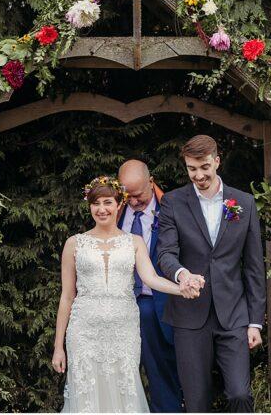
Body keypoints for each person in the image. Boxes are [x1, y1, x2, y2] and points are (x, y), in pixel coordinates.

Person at [52, 176, 204, 412]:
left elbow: (151, 278)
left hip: (123, 329)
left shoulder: (134, 242)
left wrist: (180, 288)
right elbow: (67, 296)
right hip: (84, 331)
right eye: (95, 204)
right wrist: (58, 347)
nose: (101, 209)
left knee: (124, 390)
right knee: (86, 394)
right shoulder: (74, 243)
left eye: (107, 203)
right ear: (89, 206)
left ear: (119, 204)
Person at [156, 135, 266, 412]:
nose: (199, 175)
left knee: (240, 394)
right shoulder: (172, 202)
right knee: (196, 400)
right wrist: (182, 275)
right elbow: (165, 253)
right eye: (192, 169)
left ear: (217, 161)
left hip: (234, 315)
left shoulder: (244, 202)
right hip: (190, 315)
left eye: (204, 167)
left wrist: (255, 322)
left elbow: (254, 267)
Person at [116, 160, 182, 412]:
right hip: (120, 308)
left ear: (151, 182)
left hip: (159, 306)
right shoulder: (113, 210)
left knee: (161, 373)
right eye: (127, 196)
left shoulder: (171, 209)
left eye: (139, 195)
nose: (133, 202)